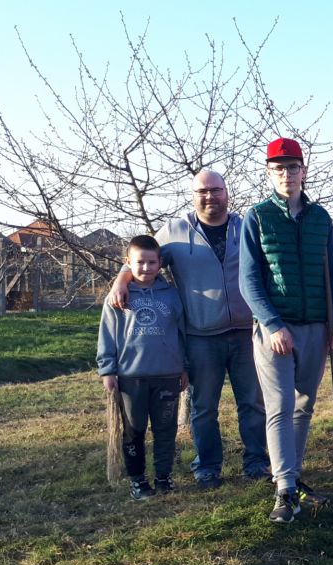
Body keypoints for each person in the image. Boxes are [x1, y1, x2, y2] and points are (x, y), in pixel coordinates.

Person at [106, 169, 268, 490]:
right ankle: (207, 467)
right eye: (202, 191)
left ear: (226, 192)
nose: (210, 196)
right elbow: (141, 256)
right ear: (193, 196)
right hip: (201, 337)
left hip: (246, 334)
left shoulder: (246, 227)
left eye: (216, 190)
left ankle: (256, 463)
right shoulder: (175, 232)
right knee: (204, 407)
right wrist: (121, 280)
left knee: (252, 403)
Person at [239, 137, 333, 524]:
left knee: (303, 405)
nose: (287, 174)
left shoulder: (321, 218)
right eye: (279, 168)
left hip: (316, 326)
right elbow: (249, 280)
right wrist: (272, 324)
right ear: (269, 173)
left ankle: (294, 476)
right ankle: (284, 489)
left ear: (304, 171)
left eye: (293, 167)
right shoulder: (257, 217)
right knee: (280, 405)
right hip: (275, 330)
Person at [97, 235, 188, 500]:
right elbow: (107, 335)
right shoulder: (118, 296)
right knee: (134, 430)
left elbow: (182, 333)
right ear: (128, 262)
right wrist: (107, 369)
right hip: (131, 377)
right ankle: (138, 480)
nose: (146, 268)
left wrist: (184, 367)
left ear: (160, 263)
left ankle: (164, 477)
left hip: (167, 375)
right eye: (140, 262)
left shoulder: (172, 295)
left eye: (152, 262)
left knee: (165, 429)